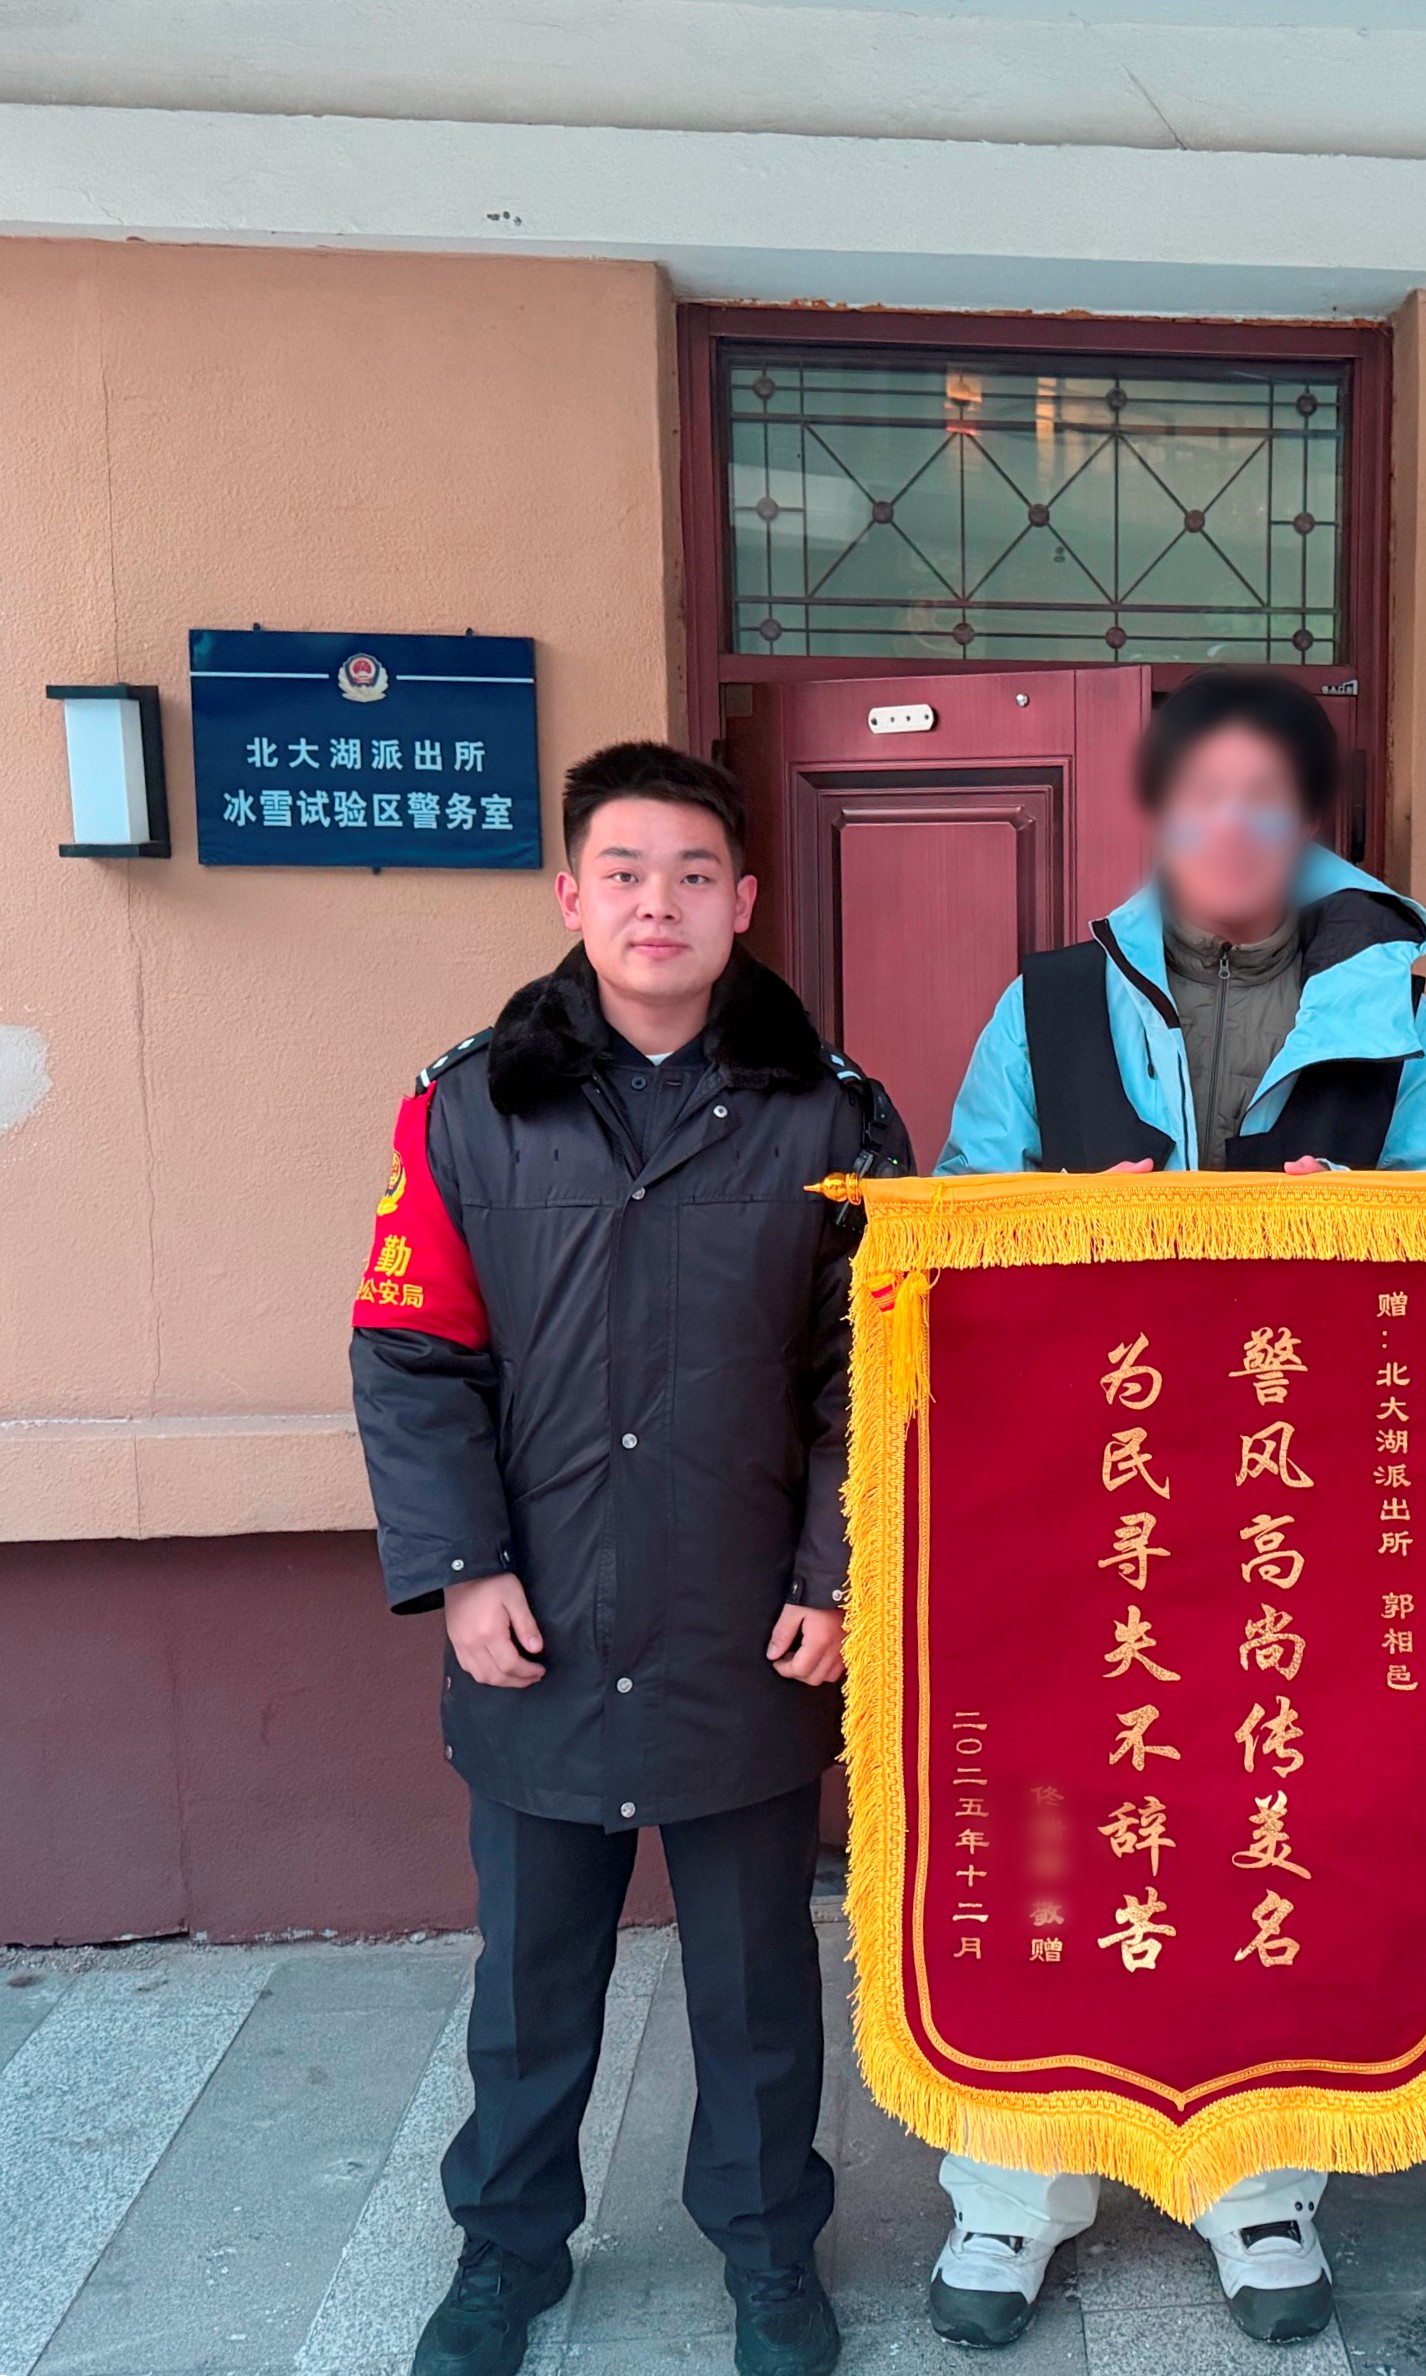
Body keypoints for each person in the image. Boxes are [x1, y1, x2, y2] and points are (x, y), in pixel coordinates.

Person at [925, 667, 1426, 2349]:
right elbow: (952, 1230)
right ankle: (1013, 2193)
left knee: (1271, 1828)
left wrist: (1364, 1221)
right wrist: (1058, 1221)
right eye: (1199, 794)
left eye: (1265, 796)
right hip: (1076, 1509)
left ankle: (1261, 2188)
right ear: (1156, 812)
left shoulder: (1398, 1017)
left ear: (1308, 818)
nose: (1230, 826)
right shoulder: (1046, 1005)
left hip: (1288, 1523)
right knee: (1050, 1827)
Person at [350, 741, 911, 2376]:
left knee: (753, 1982)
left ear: (742, 901)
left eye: (690, 875)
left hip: (747, 1618)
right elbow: (411, 1356)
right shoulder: (472, 1105)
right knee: (531, 1981)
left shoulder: (834, 1113)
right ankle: (506, 2253)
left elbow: (876, 1367)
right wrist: (462, 1570)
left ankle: (770, 2256)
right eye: (623, 872)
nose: (655, 903)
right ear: (570, 895)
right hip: (539, 1610)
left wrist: (833, 1573)